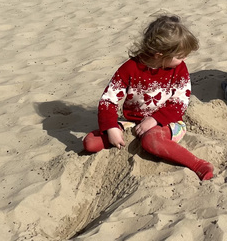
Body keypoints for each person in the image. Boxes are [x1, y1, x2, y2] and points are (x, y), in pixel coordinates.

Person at [82, 14, 213, 181]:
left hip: (168, 122)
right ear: (159, 55)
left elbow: (180, 102)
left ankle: (199, 165)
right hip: (133, 122)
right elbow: (109, 99)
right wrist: (111, 129)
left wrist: (155, 119)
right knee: (90, 143)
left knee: (151, 141)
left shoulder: (180, 70)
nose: (184, 59)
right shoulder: (130, 68)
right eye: (180, 56)